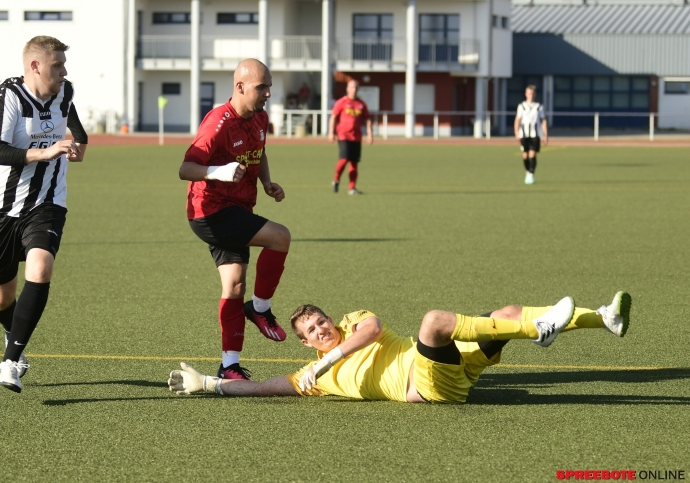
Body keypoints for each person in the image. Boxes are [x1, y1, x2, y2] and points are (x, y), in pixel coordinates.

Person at [169, 292, 631, 403]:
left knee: (508, 313)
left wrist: (334, 353)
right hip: (426, 384)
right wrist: (212, 384)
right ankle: (540, 331)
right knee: (433, 322)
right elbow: (267, 387)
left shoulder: (352, 327)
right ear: (304, 342)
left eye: (321, 320)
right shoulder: (314, 379)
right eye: (311, 329)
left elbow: (371, 330)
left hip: (449, 365)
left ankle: (602, 319)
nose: (321, 328)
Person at [0, 36, 88, 393]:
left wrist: (78, 147)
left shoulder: (65, 91)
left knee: (41, 268)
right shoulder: (9, 94)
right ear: (35, 66)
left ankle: (10, 362)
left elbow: (77, 128)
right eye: (57, 65)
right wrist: (46, 152)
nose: (64, 71)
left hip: (47, 202)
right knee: (1, 296)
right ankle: (14, 334)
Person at [179, 58, 291, 381]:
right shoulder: (218, 123)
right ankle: (260, 307)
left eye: (269, 86)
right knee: (280, 237)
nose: (268, 93)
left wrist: (267, 183)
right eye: (262, 87)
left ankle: (229, 365)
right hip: (211, 212)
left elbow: (260, 151)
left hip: (238, 209)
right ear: (240, 87)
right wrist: (220, 171)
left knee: (234, 284)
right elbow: (185, 169)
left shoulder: (260, 117)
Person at [328, 79, 373, 195]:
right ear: (347, 88)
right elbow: (333, 117)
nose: (354, 89)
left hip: (356, 137)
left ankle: (352, 187)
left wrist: (369, 134)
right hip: (344, 135)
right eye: (352, 87)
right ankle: (336, 179)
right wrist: (331, 132)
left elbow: (367, 119)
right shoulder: (341, 102)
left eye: (356, 87)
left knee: (354, 163)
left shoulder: (361, 104)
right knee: (344, 160)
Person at [514, 85, 549, 185]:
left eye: (533, 93)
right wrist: (516, 132)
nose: (531, 95)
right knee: (525, 155)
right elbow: (517, 120)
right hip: (524, 134)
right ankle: (528, 171)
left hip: (535, 134)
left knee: (532, 154)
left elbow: (543, 121)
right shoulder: (521, 106)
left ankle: (531, 173)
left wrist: (545, 135)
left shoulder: (539, 107)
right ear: (526, 94)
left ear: (535, 94)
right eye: (529, 93)